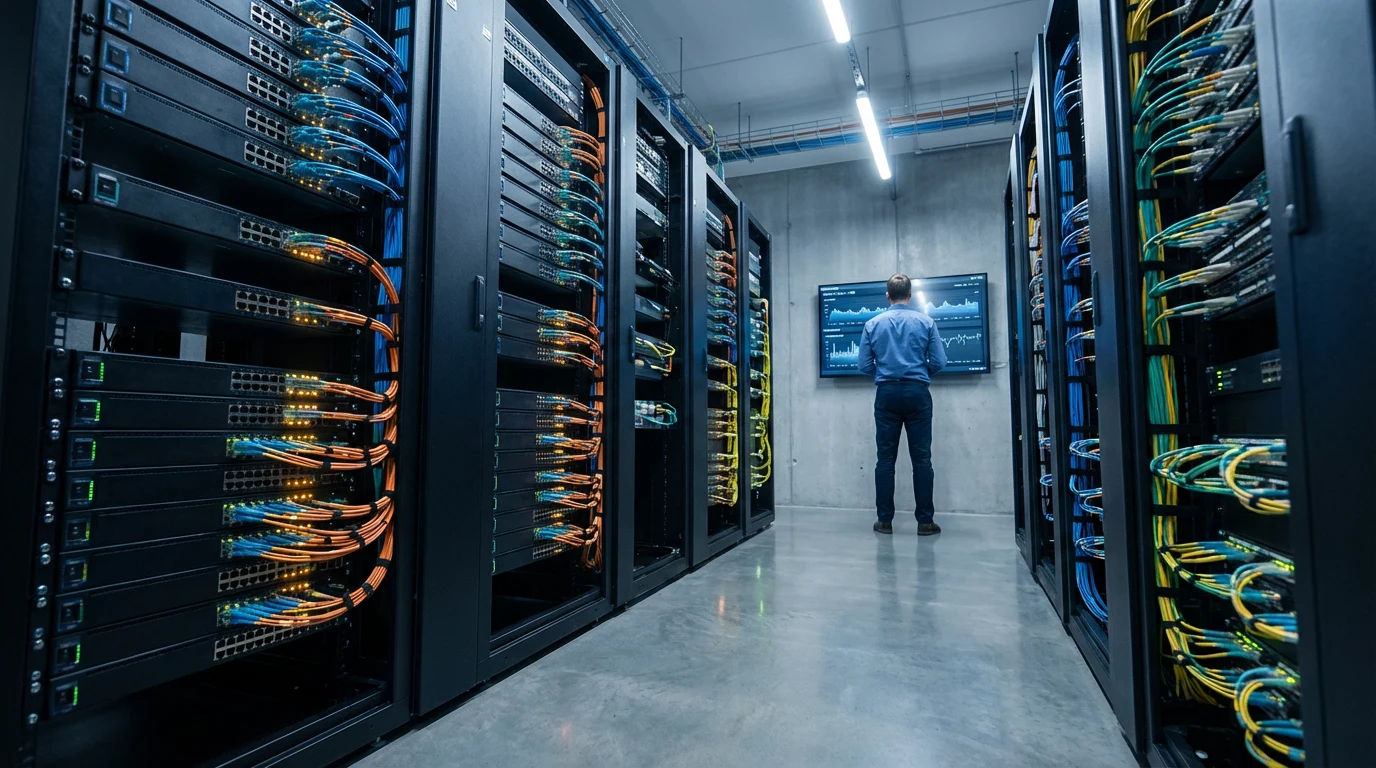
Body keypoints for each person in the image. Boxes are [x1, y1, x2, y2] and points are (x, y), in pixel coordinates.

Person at [857, 274, 946, 536]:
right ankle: (925, 522)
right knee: (922, 459)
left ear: (888, 295)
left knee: (885, 459)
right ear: (909, 295)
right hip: (918, 394)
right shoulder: (926, 322)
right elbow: (940, 361)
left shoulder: (872, 324)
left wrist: (886, 376)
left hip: (886, 394)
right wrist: (920, 374)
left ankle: (884, 521)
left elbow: (863, 365)